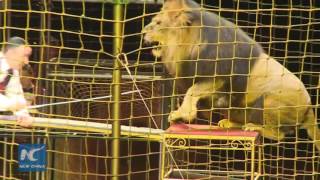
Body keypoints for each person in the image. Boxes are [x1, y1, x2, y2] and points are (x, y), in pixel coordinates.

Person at [0, 36, 33, 127]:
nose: (26, 61)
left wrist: (23, 114)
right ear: (11, 53)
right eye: (24, 56)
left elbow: (16, 95)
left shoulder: (13, 71)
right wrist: (12, 104)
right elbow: (14, 103)